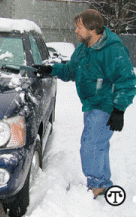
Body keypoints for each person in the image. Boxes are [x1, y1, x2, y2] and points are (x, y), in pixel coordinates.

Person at [34, 9, 136, 198]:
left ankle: (96, 186)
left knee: (90, 146)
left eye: (79, 27)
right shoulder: (83, 48)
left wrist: (119, 110)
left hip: (105, 105)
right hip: (90, 104)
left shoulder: (113, 50)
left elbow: (127, 81)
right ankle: (103, 183)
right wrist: (51, 69)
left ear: (92, 28)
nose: (76, 31)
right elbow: (71, 70)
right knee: (99, 145)